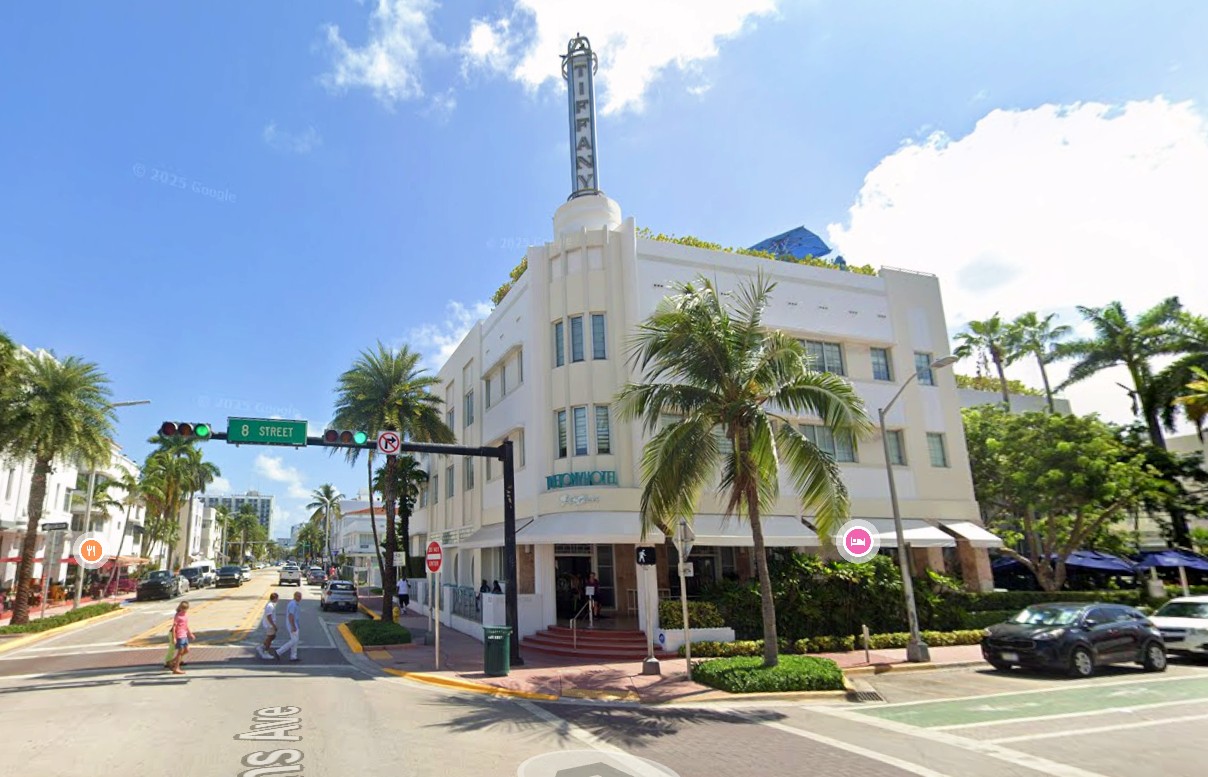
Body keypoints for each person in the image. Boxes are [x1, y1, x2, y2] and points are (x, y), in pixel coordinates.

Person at [275, 590, 303, 662]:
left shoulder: (295, 604)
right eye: (298, 596)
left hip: (295, 624)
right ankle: (279, 651)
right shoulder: (293, 604)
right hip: (292, 624)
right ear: (295, 596)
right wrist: (293, 626)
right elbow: (291, 616)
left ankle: (293, 656)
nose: (300, 598)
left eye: (300, 596)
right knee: (294, 640)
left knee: (295, 641)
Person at [168, 601, 195, 675]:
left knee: (186, 650)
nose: (184, 610)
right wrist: (174, 638)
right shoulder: (178, 616)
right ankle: (176, 668)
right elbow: (174, 627)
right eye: (183, 608)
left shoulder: (185, 615)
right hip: (179, 635)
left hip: (184, 635)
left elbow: (186, 626)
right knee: (180, 652)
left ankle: (171, 662)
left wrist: (190, 633)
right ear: (180, 608)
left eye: (186, 609)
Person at [258, 593, 280, 660]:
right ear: (274, 598)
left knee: (272, 636)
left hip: (270, 624)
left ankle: (262, 647)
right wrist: (273, 625)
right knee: (270, 638)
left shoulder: (271, 605)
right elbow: (269, 616)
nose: (278, 599)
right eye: (277, 598)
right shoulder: (270, 606)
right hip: (269, 625)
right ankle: (266, 652)